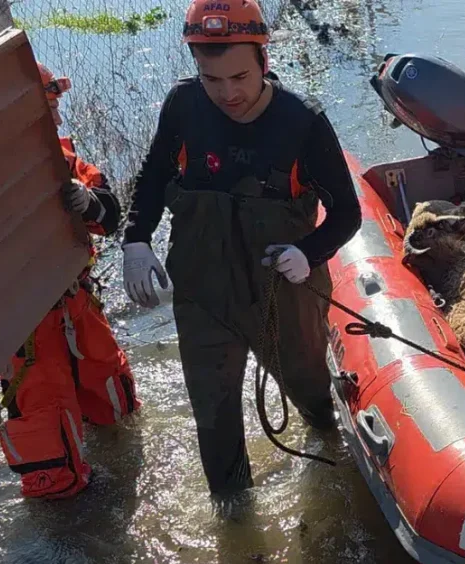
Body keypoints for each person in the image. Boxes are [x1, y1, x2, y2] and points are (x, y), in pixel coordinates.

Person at [120, 0, 361, 495]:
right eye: (212, 79)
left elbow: (347, 214)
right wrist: (136, 239)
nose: (228, 93)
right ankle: (232, 513)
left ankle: (335, 476)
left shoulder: (302, 122)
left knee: (312, 397)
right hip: (203, 292)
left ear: (264, 60)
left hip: (283, 292)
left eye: (240, 77)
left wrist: (309, 252)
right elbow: (154, 176)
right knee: (213, 414)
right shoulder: (183, 106)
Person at [0, 62, 141, 499]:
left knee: (117, 411)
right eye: (51, 110)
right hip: (24, 329)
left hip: (77, 304)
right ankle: (66, 507)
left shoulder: (63, 162)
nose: (59, 120)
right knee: (51, 459)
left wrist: (88, 202)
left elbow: (111, 213)